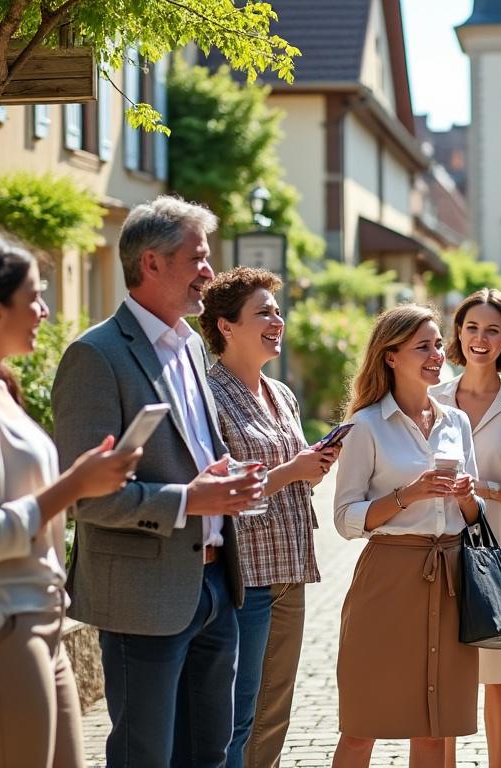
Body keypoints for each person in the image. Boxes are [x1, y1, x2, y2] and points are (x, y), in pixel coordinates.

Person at [0, 233, 141, 768]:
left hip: (35, 622)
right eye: (33, 297)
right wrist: (74, 485)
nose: (45, 309)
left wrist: (87, 482)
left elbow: (31, 503)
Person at [52, 197, 264, 768]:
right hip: (143, 598)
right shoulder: (94, 357)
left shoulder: (192, 346)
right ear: (151, 263)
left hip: (217, 585)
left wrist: (226, 476)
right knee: (145, 756)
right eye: (197, 257)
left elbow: (199, 450)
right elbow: (85, 497)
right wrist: (189, 500)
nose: (209, 273)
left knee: (210, 753)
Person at [330, 304, 484, 768]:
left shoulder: (456, 422)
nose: (437, 355)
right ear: (391, 356)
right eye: (424, 346)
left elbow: (475, 515)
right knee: (362, 726)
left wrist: (466, 497)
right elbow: (344, 517)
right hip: (389, 580)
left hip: (452, 578)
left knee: (436, 731)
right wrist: (407, 495)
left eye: (439, 345)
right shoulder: (366, 425)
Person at [199, 267, 341, 768]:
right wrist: (293, 470)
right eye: (263, 312)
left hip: (292, 569)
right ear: (226, 326)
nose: (276, 320)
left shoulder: (282, 395)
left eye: (277, 311)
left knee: (275, 711)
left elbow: (297, 474)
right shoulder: (208, 397)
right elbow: (221, 490)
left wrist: (313, 468)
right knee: (238, 714)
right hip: (245, 578)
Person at [430, 289, 501, 768]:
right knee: (445, 674)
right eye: (472, 328)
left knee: (499, 675)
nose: (480, 338)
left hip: (500, 557)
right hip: (437, 553)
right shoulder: (431, 397)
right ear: (458, 332)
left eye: (492, 330)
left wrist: (481, 488)